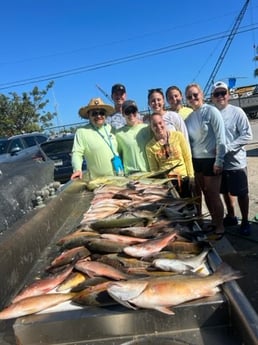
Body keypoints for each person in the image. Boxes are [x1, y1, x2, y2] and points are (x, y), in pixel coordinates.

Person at [211, 81, 253, 235]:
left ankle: (246, 221)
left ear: (228, 95)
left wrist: (227, 147)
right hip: (220, 163)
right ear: (212, 97)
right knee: (225, 191)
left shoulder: (237, 112)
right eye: (217, 94)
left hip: (236, 162)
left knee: (241, 193)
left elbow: (247, 135)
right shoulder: (211, 113)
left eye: (223, 93)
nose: (220, 96)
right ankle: (231, 216)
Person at [185, 83, 226, 238]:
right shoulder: (188, 118)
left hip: (211, 160)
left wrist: (219, 160)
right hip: (196, 160)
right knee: (205, 194)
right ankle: (214, 222)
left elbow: (221, 138)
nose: (193, 98)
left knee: (213, 194)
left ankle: (220, 225)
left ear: (201, 94)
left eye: (195, 95)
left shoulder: (212, 111)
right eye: (189, 96)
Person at [146, 113, 194, 197]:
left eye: (160, 123)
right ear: (151, 127)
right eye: (154, 125)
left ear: (164, 123)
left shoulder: (178, 136)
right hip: (167, 182)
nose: (158, 127)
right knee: (177, 208)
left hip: (183, 177)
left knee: (190, 207)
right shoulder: (150, 147)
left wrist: (191, 176)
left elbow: (187, 157)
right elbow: (154, 169)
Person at [71, 97, 120, 180]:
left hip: (118, 178)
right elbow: (77, 153)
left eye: (101, 113)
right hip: (98, 182)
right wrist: (77, 169)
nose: (99, 116)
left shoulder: (111, 129)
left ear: (105, 115)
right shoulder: (82, 132)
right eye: (94, 113)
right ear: (89, 116)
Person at [116, 100, 151, 175]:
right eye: (127, 112)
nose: (131, 114)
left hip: (149, 173)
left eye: (133, 111)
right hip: (131, 176)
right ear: (122, 114)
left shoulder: (147, 128)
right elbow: (118, 156)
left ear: (137, 112)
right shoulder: (118, 134)